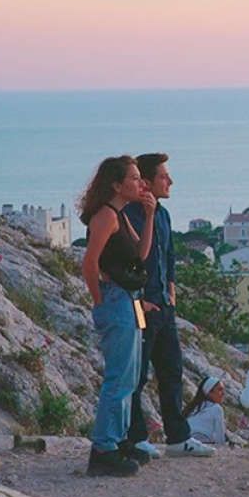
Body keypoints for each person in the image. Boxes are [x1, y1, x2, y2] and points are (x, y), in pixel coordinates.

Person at [123, 153, 214, 458]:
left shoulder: (162, 214)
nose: (170, 181)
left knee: (172, 371)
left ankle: (178, 437)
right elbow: (135, 258)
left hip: (164, 305)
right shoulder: (131, 214)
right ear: (146, 182)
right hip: (142, 305)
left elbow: (169, 256)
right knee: (138, 374)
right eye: (164, 176)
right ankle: (135, 438)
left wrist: (171, 292)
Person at [79, 155, 156, 477]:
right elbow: (89, 263)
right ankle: (103, 448)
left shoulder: (121, 216)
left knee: (131, 374)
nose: (141, 183)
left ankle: (119, 440)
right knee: (119, 376)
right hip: (116, 300)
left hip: (129, 299)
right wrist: (100, 301)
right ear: (116, 184)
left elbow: (141, 254)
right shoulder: (105, 217)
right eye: (135, 178)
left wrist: (149, 215)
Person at [183, 376, 226, 445]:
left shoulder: (191, 408)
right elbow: (220, 438)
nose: (223, 393)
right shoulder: (216, 408)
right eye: (220, 390)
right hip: (202, 443)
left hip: (184, 442)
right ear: (209, 392)